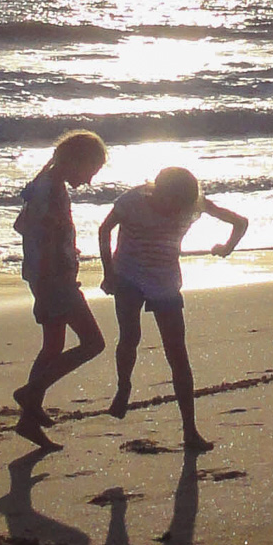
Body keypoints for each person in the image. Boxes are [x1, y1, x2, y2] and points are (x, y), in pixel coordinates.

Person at [97, 166, 248, 453]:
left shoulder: (194, 205)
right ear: (156, 191)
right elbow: (105, 229)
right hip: (127, 274)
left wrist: (227, 248)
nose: (174, 211)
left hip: (164, 279)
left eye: (180, 207)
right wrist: (108, 272)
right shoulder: (133, 201)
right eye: (170, 204)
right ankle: (124, 386)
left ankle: (190, 430)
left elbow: (240, 222)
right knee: (130, 337)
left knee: (177, 353)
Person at [11, 130, 108, 448]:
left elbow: (22, 226)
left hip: (43, 276)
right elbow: (41, 233)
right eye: (90, 171)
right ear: (77, 161)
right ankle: (30, 394)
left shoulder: (45, 185)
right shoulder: (51, 190)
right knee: (93, 343)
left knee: (53, 346)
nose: (90, 180)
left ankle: (30, 414)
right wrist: (60, 270)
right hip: (54, 279)